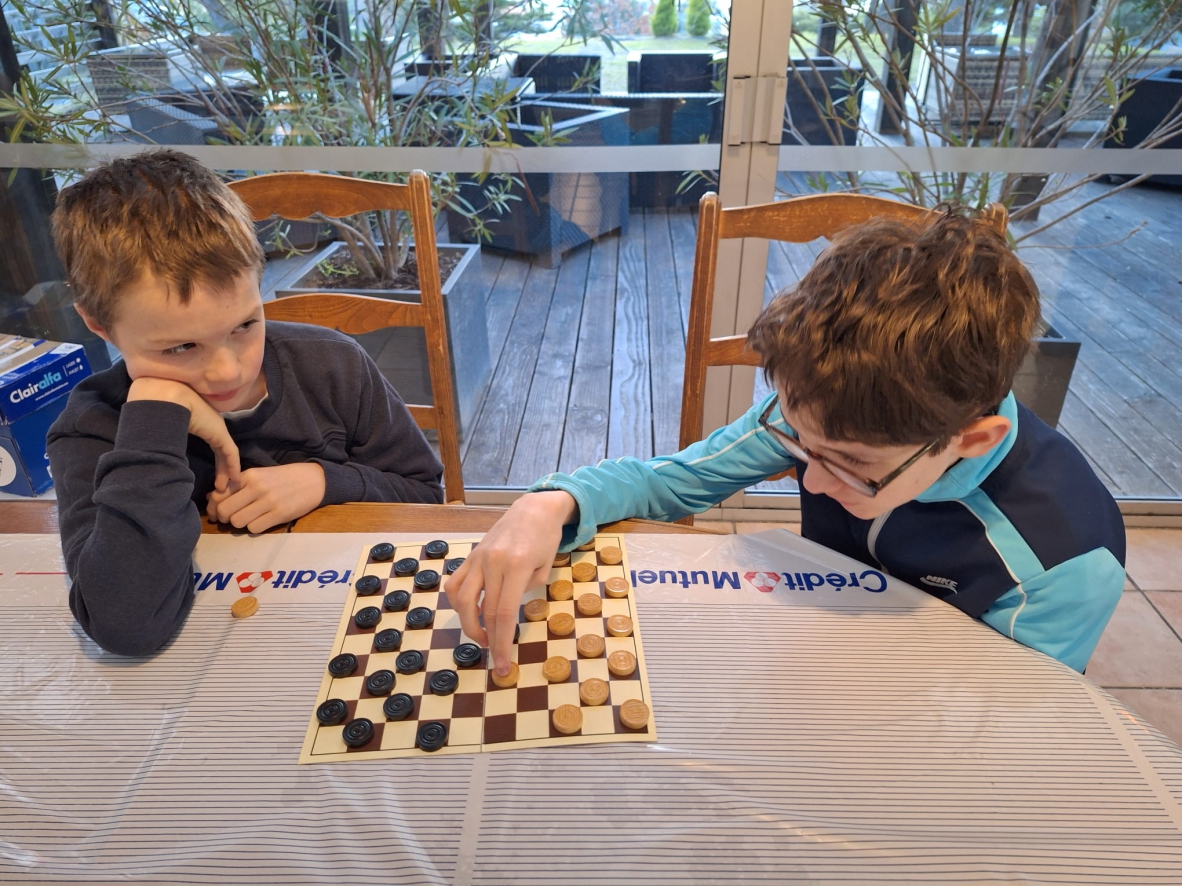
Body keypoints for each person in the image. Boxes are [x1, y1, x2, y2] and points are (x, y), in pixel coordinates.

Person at [447, 207, 1126, 676]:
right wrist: (551, 504)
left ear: (973, 439)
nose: (810, 480)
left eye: (853, 467)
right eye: (799, 443)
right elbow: (670, 482)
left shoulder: (1063, 567)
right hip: (812, 648)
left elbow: (1004, 718)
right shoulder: (831, 412)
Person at [48, 150, 445, 656]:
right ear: (98, 325)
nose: (228, 371)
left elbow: (426, 498)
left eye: (244, 325)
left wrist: (325, 481)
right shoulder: (93, 427)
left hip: (351, 629)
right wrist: (153, 414)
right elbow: (125, 625)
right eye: (180, 347)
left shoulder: (333, 365)